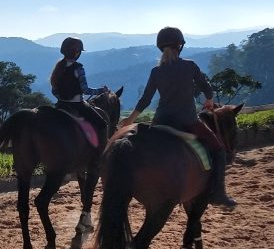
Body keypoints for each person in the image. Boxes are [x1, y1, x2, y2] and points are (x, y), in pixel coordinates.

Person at [119, 26, 237, 207]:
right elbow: (206, 87)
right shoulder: (190, 65)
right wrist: (209, 100)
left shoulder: (156, 71)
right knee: (218, 149)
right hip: (188, 121)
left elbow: (145, 99)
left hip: (161, 121)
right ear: (180, 46)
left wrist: (130, 120)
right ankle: (219, 193)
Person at [50, 36, 110, 148]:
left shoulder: (59, 67)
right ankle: (101, 154)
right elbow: (85, 90)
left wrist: (63, 98)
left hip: (60, 105)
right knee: (102, 124)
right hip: (78, 106)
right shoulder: (79, 68)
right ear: (76, 53)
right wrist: (102, 90)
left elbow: (54, 90)